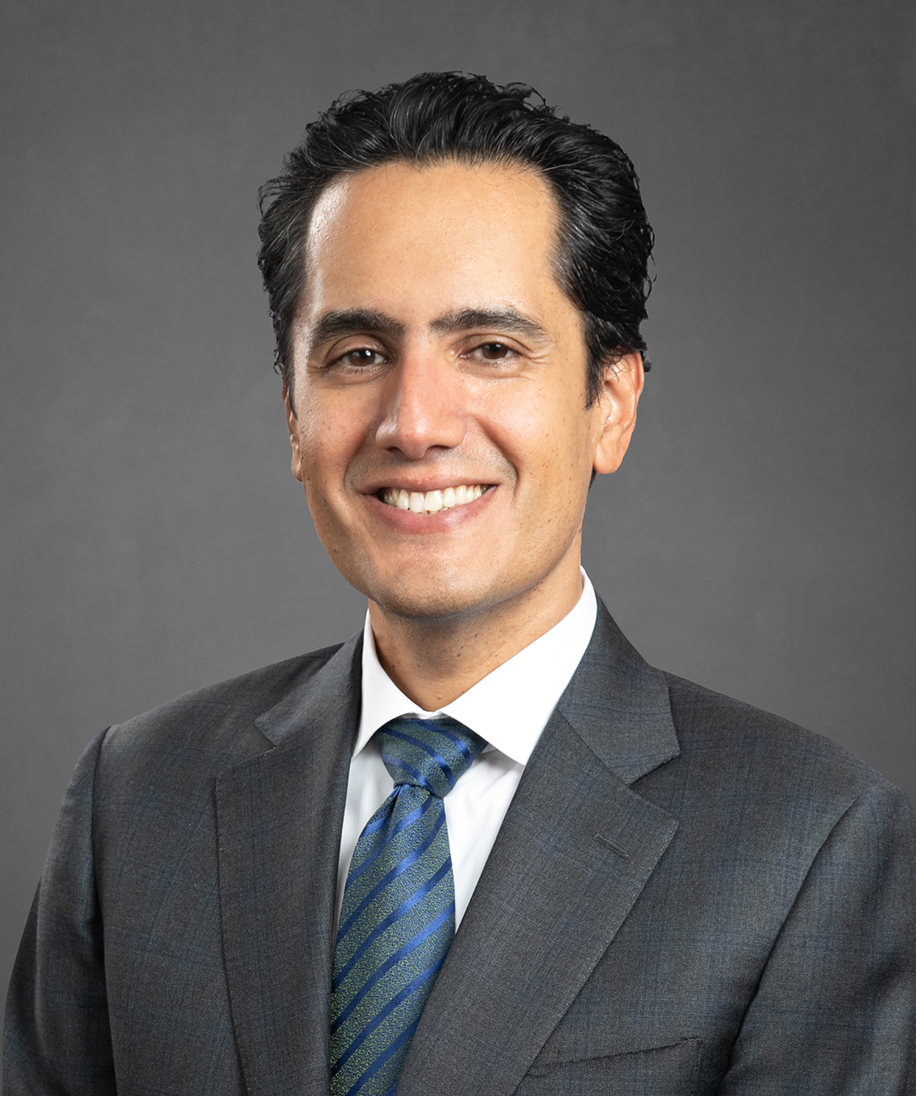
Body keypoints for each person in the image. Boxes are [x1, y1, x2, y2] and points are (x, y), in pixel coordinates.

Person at [4, 71, 915, 1095]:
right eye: (358, 353)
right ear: (294, 417)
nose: (415, 423)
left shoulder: (811, 841)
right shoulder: (135, 798)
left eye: (489, 348)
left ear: (610, 404)